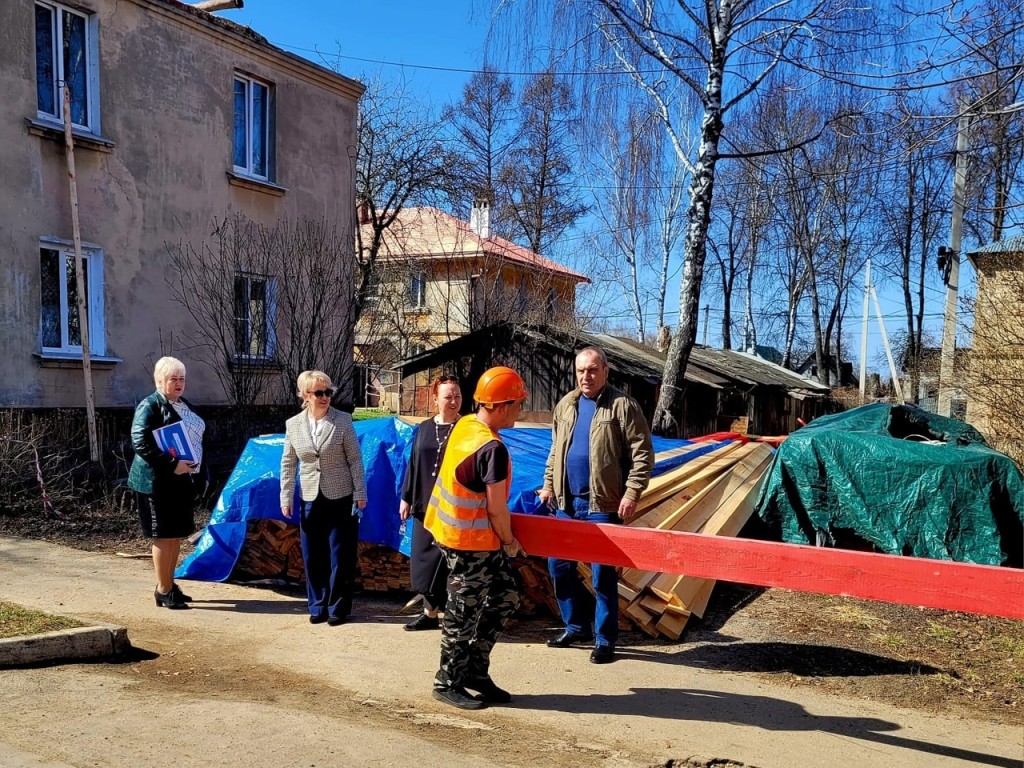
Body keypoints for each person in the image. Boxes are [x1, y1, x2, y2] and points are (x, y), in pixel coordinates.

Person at [539, 346, 654, 664]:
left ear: (605, 371)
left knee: (603, 575)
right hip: (567, 502)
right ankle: (576, 626)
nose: (585, 376)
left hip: (603, 504)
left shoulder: (622, 406)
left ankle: (605, 639)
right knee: (558, 566)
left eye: (592, 370)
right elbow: (554, 451)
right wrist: (549, 485)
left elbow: (643, 453)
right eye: (580, 371)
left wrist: (632, 492)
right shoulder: (566, 405)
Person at [423, 366, 528, 710]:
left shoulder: (467, 423)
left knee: (507, 596)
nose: (520, 411)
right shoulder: (491, 448)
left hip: (457, 535)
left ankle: (474, 671)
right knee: (462, 612)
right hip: (469, 542)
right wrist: (510, 543)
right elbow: (498, 511)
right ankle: (447, 680)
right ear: (500, 406)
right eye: (517, 405)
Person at [280, 371, 367, 626]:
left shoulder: (342, 420)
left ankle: (338, 607)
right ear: (305, 395)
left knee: (340, 554)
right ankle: (317, 605)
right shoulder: (293, 424)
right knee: (312, 554)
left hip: (340, 495)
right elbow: (287, 463)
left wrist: (360, 493)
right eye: (319, 393)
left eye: (329, 392)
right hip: (309, 496)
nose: (325, 397)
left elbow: (355, 459)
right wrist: (286, 496)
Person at [128, 356, 206, 610]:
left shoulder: (184, 405)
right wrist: (173, 465)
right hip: (156, 482)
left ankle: (170, 585)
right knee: (162, 535)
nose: (179, 383)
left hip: (181, 480)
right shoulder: (149, 405)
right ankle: (163, 589)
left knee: (175, 535)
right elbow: (140, 442)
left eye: (182, 378)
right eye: (173, 378)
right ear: (159, 380)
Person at [398, 376, 463, 631]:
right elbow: (413, 464)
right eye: (448, 396)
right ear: (435, 399)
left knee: (448, 563)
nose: (453, 401)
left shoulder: (466, 428)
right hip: (425, 503)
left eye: (457, 396)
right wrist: (406, 497)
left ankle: (453, 617)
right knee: (424, 561)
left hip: (453, 505)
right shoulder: (424, 428)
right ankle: (430, 613)